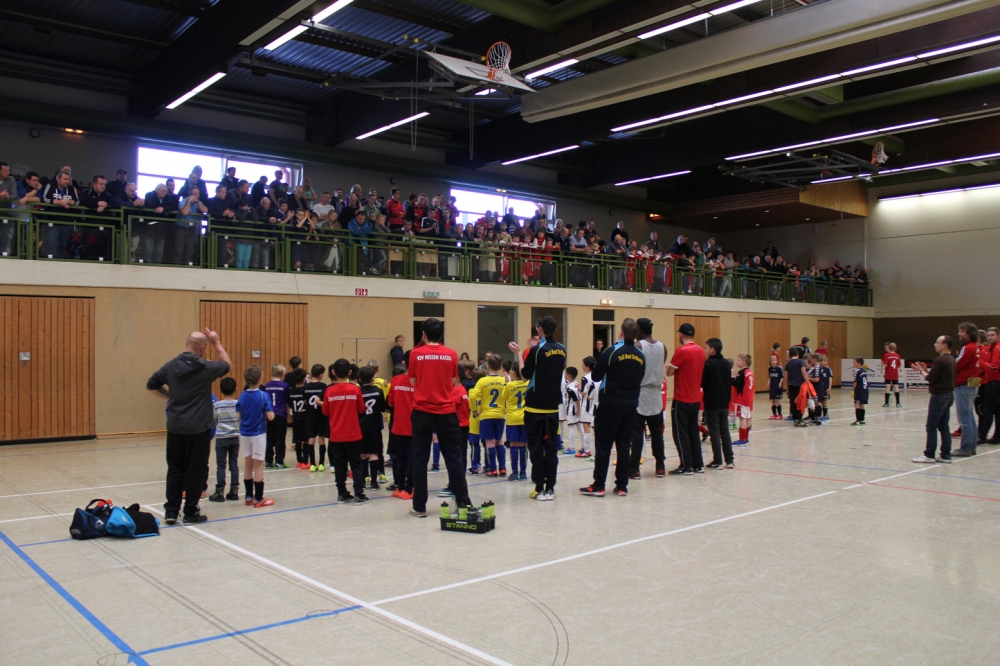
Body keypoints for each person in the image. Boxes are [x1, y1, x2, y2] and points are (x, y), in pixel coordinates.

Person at [146, 329, 232, 524]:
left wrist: (170, 396)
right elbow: (227, 365)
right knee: (196, 470)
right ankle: (191, 511)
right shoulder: (205, 367)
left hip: (176, 426)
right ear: (202, 348)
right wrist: (217, 342)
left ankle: (171, 511)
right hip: (198, 427)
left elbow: (151, 385)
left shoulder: (170, 366)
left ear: (187, 344)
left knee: (175, 469)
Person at [407, 318, 471, 517]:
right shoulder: (451, 354)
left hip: (422, 412)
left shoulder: (415, 354)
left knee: (420, 459)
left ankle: (419, 507)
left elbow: (412, 381)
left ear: (423, 335)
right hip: (446, 412)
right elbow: (453, 381)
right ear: (441, 335)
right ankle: (463, 503)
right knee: (454, 458)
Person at [581, 318, 645, 497]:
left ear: (621, 332)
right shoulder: (640, 355)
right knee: (624, 446)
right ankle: (622, 486)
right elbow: (641, 377)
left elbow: (596, 376)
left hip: (610, 405)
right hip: (630, 405)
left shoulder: (611, 351)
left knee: (603, 446)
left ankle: (599, 485)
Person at [509, 315, 566, 501]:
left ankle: (540, 487)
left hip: (535, 407)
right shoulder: (562, 349)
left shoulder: (536, 349)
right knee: (551, 448)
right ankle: (550, 488)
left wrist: (519, 354)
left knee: (535, 449)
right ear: (555, 329)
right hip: (553, 407)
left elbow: (525, 375)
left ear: (540, 329)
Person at [323, 359, 368, 504]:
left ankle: (342, 493)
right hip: (353, 434)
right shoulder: (355, 389)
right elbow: (361, 409)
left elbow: (325, 411)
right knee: (356, 464)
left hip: (336, 435)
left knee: (340, 465)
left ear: (333, 372)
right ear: (350, 372)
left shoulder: (329, 391)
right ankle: (359, 493)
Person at [628, 318, 667, 478]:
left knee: (637, 433)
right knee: (657, 433)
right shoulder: (663, 346)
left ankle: (634, 468)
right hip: (656, 392)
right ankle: (660, 466)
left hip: (641, 392)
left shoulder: (638, 346)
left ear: (641, 331)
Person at [667, 323, 705, 475]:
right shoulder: (700, 350)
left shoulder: (681, 351)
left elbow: (670, 372)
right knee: (693, 432)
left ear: (681, 334)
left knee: (680, 432)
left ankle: (686, 465)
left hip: (682, 397)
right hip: (696, 398)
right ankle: (698, 464)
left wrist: (671, 368)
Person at [912, 336, 956, 463]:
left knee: (931, 425)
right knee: (944, 426)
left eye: (937, 342)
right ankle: (946, 455)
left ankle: (929, 454)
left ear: (945, 345)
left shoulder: (940, 360)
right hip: (949, 394)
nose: (935, 344)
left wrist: (920, 371)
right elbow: (936, 376)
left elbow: (931, 379)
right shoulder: (951, 359)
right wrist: (925, 370)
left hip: (939, 396)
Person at [237, 365, 276, 508]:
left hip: (244, 434)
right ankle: (259, 498)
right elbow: (271, 417)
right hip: (258, 434)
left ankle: (248, 496)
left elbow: (237, 416)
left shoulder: (242, 395)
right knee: (258, 465)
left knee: (248, 465)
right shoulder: (263, 395)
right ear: (260, 379)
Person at [471, 355, 507, 476]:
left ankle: (493, 469)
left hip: (486, 416)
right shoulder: (504, 380)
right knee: (499, 442)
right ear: (500, 367)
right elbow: (508, 395)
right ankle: (503, 468)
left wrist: (474, 409)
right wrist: (505, 408)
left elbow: (473, 396)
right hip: (500, 415)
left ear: (488, 367)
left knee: (489, 443)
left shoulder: (482, 381)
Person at [701, 338, 734, 469]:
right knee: (725, 431)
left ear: (712, 350)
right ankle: (729, 460)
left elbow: (703, 383)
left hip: (712, 403)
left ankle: (718, 460)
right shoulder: (726, 363)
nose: (705, 350)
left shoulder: (708, 364)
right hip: (724, 402)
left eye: (706, 348)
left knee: (714, 432)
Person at [209, 377, 241, 502]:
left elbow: (213, 420)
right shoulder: (238, 404)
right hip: (234, 438)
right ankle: (234, 490)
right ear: (235, 389)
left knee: (221, 466)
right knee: (234, 464)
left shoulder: (217, 405)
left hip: (222, 438)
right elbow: (240, 419)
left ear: (220, 390)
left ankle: (220, 491)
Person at [387, 365, 415, 498]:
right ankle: (410, 489)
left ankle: (401, 487)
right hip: (415, 426)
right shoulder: (420, 382)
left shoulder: (396, 380)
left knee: (400, 458)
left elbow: (391, 403)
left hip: (398, 426)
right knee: (412, 458)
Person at [952, 322, 980, 456]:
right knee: (969, 416)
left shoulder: (967, 348)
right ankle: (972, 445)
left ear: (969, 333)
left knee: (964, 418)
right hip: (972, 383)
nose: (959, 333)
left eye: (962, 331)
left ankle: (966, 447)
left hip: (963, 384)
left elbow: (956, 364)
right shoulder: (975, 347)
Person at [359, 366, 387, 491]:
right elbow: (383, 408)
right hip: (375, 428)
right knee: (374, 454)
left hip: (361, 428)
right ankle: (374, 483)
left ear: (360, 379)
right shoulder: (378, 391)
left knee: (362, 455)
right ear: (373, 379)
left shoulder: (358, 392)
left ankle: (364, 479)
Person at [502, 366, 529, 481]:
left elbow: (503, 398)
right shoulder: (528, 383)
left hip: (512, 418)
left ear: (513, 372)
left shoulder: (509, 385)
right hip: (525, 418)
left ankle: (515, 473)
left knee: (513, 445)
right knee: (523, 445)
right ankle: (523, 473)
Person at [263, 364, 290, 469]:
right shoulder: (285, 386)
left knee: (269, 438)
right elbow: (287, 400)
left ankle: (268, 461)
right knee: (280, 438)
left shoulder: (267, 385)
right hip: (281, 414)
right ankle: (279, 461)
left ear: (271, 373)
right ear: (282, 374)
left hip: (269, 414)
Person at [303, 364, 328, 471]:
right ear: (321, 375)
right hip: (320, 416)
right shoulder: (323, 386)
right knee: (321, 439)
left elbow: (305, 401)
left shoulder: (305, 387)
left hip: (309, 416)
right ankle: (321, 463)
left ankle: (312, 464)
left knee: (311, 439)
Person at [174, 186, 206, 265]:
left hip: (192, 229)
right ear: (191, 194)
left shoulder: (198, 202)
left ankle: (188, 267)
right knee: (179, 250)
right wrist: (189, 201)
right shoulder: (183, 201)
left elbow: (205, 210)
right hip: (181, 228)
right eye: (196, 194)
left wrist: (197, 202)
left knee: (190, 251)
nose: (198, 195)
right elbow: (185, 212)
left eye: (198, 194)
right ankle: (177, 267)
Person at [979, 327, 1000, 444]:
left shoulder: (997, 348)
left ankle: (982, 435)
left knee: (987, 410)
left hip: (994, 382)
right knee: (997, 410)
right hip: (992, 381)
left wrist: (981, 364)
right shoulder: (990, 348)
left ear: (998, 336)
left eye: (992, 335)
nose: (990, 337)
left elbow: (994, 367)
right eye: (988, 335)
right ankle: (997, 436)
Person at [576, 356, 599, 460]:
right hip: (597, 404)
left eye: (583, 365)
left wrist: (579, 389)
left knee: (586, 426)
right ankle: (594, 450)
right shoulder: (599, 375)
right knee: (595, 428)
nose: (582, 366)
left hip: (587, 405)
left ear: (588, 366)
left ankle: (586, 450)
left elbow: (584, 393)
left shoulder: (585, 378)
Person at [287, 369, 310, 469]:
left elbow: (289, 404)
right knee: (305, 440)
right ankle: (305, 461)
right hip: (304, 417)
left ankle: (299, 461)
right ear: (304, 379)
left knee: (297, 440)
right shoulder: (305, 390)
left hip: (295, 417)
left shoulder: (291, 390)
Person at [732, 354, 755, 445]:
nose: (737, 361)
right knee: (747, 418)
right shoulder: (749, 372)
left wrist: (732, 378)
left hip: (742, 398)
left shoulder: (742, 372)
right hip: (749, 398)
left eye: (738, 360)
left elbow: (737, 384)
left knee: (742, 418)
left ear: (743, 362)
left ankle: (742, 440)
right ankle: (746, 438)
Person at [562, 367, 583, 455]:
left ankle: (571, 447)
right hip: (577, 408)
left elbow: (576, 400)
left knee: (571, 427)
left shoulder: (570, 388)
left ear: (569, 376)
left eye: (565, 373)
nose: (564, 375)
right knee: (579, 427)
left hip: (572, 409)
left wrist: (578, 410)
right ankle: (584, 446)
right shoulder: (576, 383)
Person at [784, 347, 807, 424]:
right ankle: (798, 418)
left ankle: (794, 417)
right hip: (799, 385)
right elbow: (803, 372)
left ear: (790, 355)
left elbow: (786, 377)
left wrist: (787, 388)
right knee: (800, 401)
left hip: (791, 385)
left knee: (793, 401)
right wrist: (807, 382)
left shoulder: (788, 364)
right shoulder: (800, 361)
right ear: (798, 354)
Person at [882, 342, 902, 408]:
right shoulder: (897, 356)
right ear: (896, 348)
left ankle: (886, 403)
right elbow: (899, 365)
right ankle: (898, 403)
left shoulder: (886, 355)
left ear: (889, 348)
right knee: (896, 387)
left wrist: (882, 368)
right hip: (895, 374)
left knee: (888, 387)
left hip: (888, 373)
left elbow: (885, 364)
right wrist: (900, 369)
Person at [850, 358, 869, 426]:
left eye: (854, 362)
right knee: (862, 405)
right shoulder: (864, 371)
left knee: (857, 404)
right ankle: (862, 420)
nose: (853, 364)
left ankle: (858, 420)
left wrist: (853, 389)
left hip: (859, 390)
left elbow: (855, 382)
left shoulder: (857, 371)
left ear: (859, 363)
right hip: (865, 390)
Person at [768, 355, 784, 420]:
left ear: (777, 361)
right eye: (772, 360)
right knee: (773, 400)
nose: (773, 361)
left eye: (774, 360)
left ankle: (780, 414)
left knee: (777, 400)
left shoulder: (779, 368)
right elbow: (770, 377)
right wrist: (768, 383)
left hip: (777, 387)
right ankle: (774, 414)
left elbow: (782, 377)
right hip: (772, 387)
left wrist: (780, 383)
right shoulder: (770, 369)